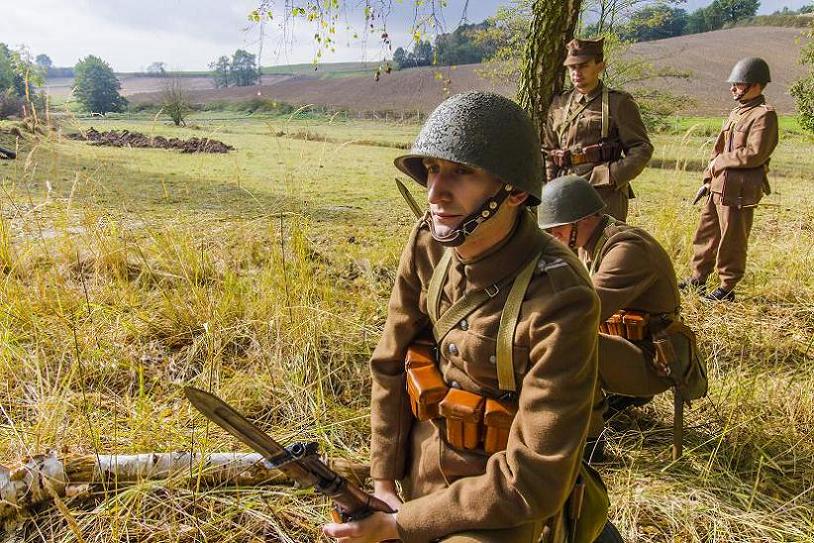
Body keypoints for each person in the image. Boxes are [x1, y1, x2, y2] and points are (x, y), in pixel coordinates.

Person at [323, 92, 618, 542]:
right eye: (433, 170)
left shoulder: (562, 298)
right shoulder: (428, 245)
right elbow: (389, 364)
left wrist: (399, 525)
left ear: (515, 190)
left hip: (498, 506)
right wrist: (383, 485)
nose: (436, 192)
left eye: (462, 172)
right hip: (418, 472)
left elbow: (534, 479)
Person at [538, 175, 707, 461]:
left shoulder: (627, 250)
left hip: (658, 362)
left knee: (572, 345)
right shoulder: (589, 244)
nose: (555, 237)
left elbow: (582, 313)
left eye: (557, 230)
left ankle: (590, 445)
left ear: (583, 220)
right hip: (633, 347)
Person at [681, 57, 779, 302]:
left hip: (739, 191)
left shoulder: (763, 116)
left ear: (755, 85)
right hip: (717, 186)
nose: (732, 88)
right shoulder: (737, 112)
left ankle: (726, 288)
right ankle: (697, 280)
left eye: (737, 84)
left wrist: (720, 163)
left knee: (732, 240)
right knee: (705, 235)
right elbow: (718, 148)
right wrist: (707, 179)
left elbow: (755, 154)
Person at [542, 38, 653, 222]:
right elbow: (548, 150)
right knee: (566, 248)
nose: (577, 73)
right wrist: (551, 186)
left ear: (600, 66)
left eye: (583, 66)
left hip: (604, 194)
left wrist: (612, 175)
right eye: (572, 67)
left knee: (603, 246)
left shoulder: (618, 103)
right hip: (566, 190)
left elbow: (641, 148)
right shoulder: (559, 103)